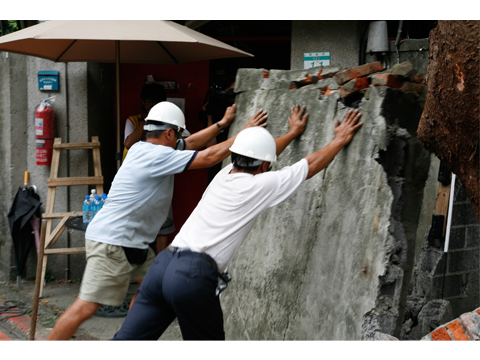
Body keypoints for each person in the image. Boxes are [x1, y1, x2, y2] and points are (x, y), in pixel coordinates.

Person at [111, 106, 363, 340]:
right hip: (190, 276)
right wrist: (339, 139)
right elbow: (309, 166)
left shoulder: (224, 174)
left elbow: (260, 153)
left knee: (127, 343)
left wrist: (292, 132)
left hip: (162, 266)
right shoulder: (260, 185)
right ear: (264, 165)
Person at [46, 101, 268, 340]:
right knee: (87, 307)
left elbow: (191, 144)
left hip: (135, 243)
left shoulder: (148, 148)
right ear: (170, 133)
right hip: (112, 242)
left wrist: (221, 124)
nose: (180, 139)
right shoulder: (155, 155)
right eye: (179, 133)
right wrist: (244, 135)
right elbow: (209, 157)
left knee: (150, 293)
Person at [122, 79, 174, 254]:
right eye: (150, 101)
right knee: (137, 227)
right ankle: (141, 271)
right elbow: (128, 143)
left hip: (161, 182)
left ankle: (160, 267)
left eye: (157, 102)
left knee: (162, 227)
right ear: (143, 102)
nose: (153, 105)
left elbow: (182, 142)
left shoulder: (168, 124)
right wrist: (146, 123)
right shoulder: (134, 121)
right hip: (137, 184)